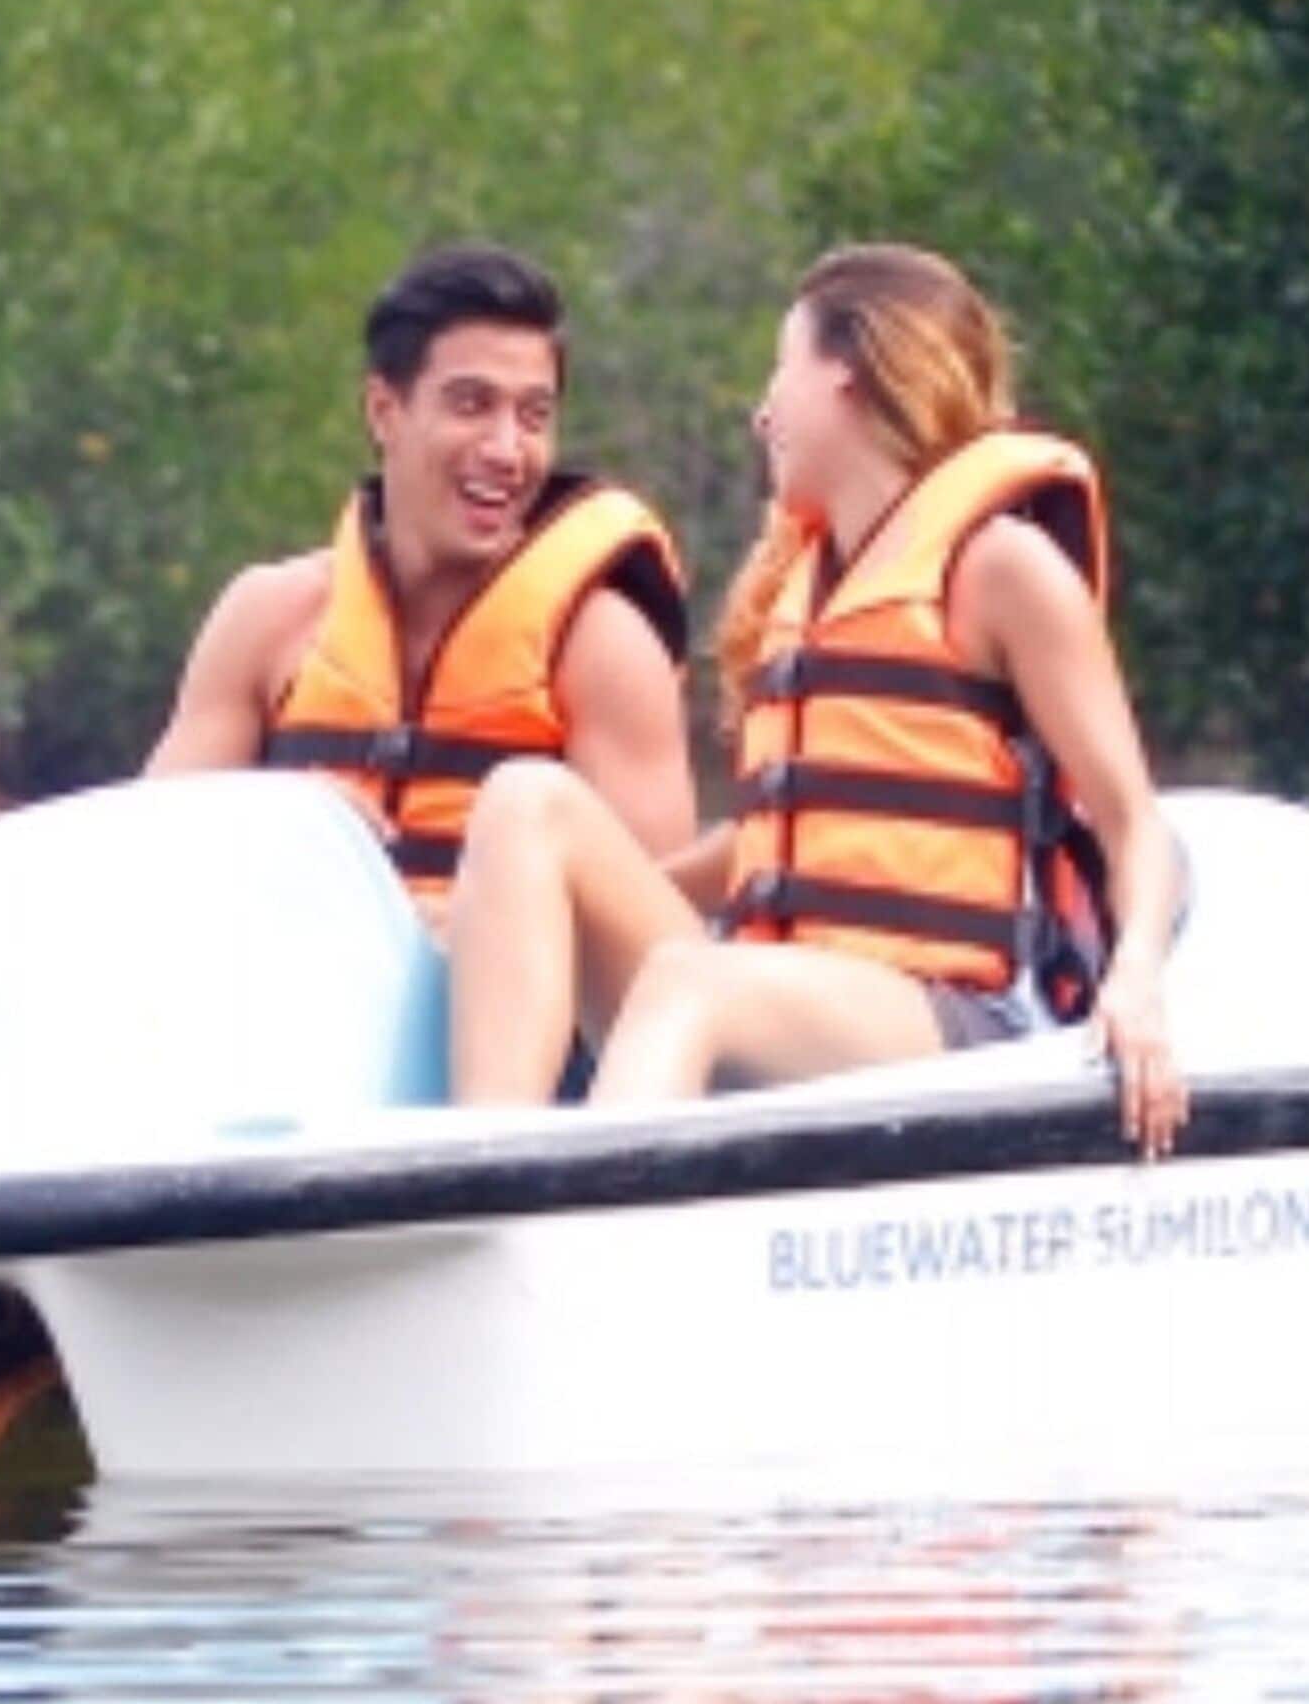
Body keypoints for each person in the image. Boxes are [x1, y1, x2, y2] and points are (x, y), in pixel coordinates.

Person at [448, 243, 1187, 1154]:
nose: (763, 413)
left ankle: (574, 1246)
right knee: (528, 800)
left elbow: (1132, 821)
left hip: (950, 1015)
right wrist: (536, 897)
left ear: (850, 375)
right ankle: (488, 1174)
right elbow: (772, 840)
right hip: (783, 991)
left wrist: (1138, 978)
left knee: (692, 981)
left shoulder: (1002, 568)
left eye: (780, 370)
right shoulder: (803, 583)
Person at [146, 243, 695, 915]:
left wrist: (469, 922)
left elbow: (657, 939)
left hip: (503, 1016)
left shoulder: (604, 646)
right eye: (471, 404)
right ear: (384, 411)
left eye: (533, 416)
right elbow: (148, 865)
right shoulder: (270, 617)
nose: (505, 450)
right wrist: (284, 817)